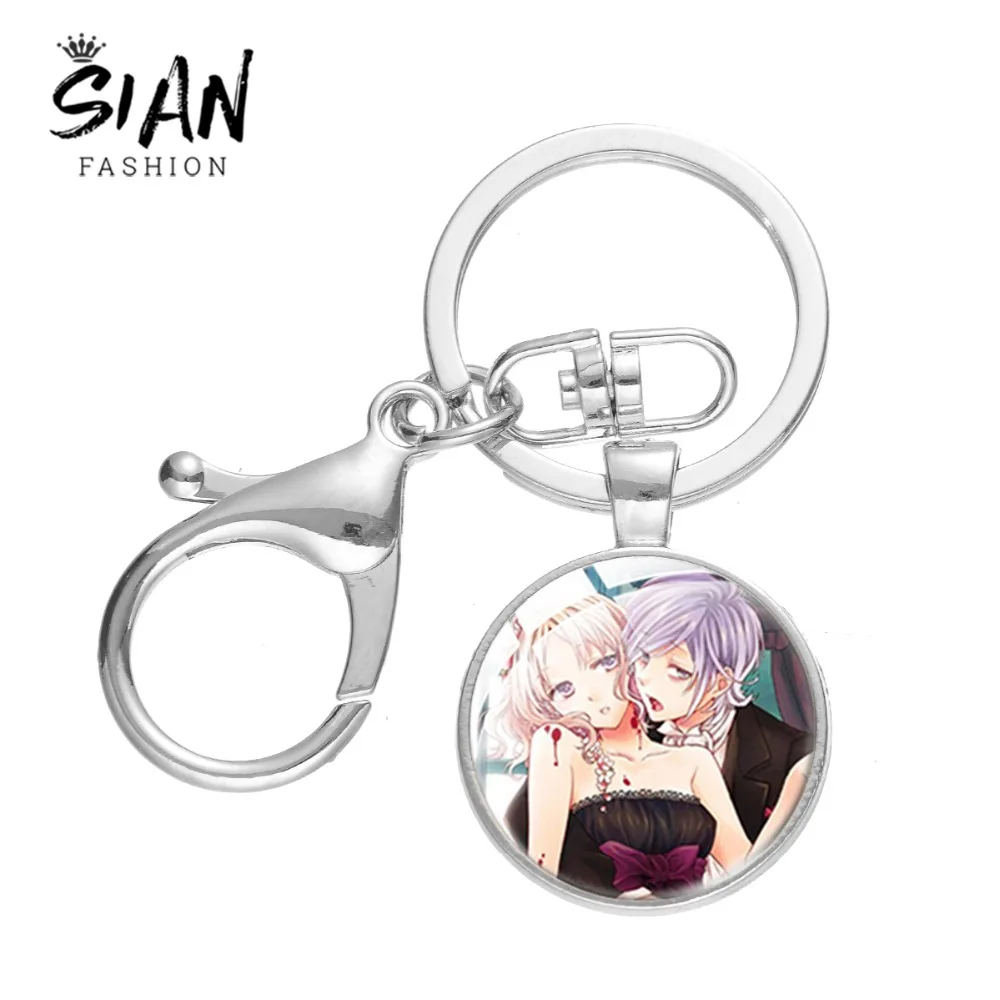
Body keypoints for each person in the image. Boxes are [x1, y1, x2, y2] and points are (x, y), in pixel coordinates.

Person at [489, 595, 752, 898]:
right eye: (563, 688)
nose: (591, 694)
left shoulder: (695, 761)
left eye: (605, 663)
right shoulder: (558, 745)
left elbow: (746, 867)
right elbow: (541, 875)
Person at [624, 572, 813, 843]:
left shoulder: (790, 754)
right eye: (643, 657)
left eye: (678, 671)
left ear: (721, 682)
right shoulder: (628, 733)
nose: (645, 678)